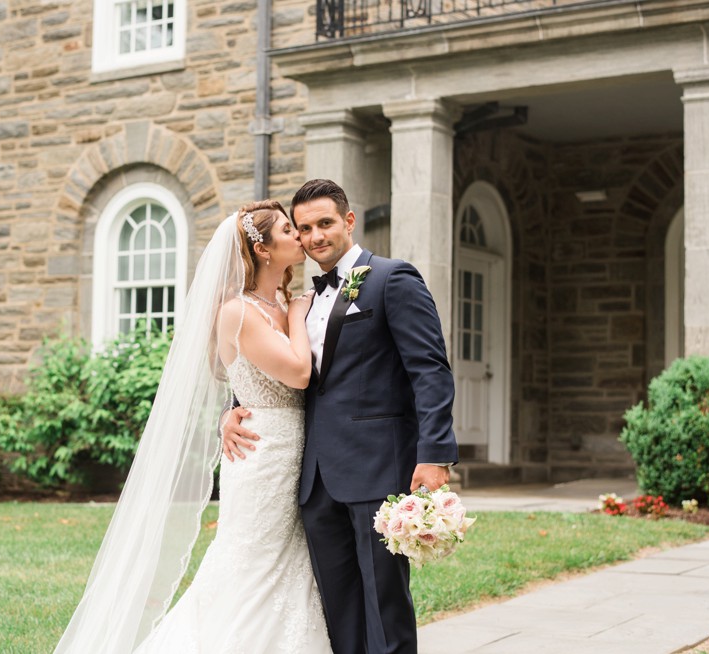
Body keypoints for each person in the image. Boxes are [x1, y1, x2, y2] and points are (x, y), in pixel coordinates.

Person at [53, 201, 333, 653]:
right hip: (261, 457)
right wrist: (299, 317)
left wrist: (232, 409)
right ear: (262, 248)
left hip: (293, 451)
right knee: (249, 566)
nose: (300, 236)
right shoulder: (237, 312)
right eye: (288, 229)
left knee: (287, 566)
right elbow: (299, 373)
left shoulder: (279, 300)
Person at [223, 179, 459, 654]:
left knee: (384, 603)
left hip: (377, 470)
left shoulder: (393, 278)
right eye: (304, 228)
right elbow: (268, 367)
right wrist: (234, 410)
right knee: (336, 607)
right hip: (311, 480)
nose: (314, 237)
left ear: (349, 222)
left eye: (325, 223)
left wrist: (435, 455)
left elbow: (429, 370)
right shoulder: (297, 303)